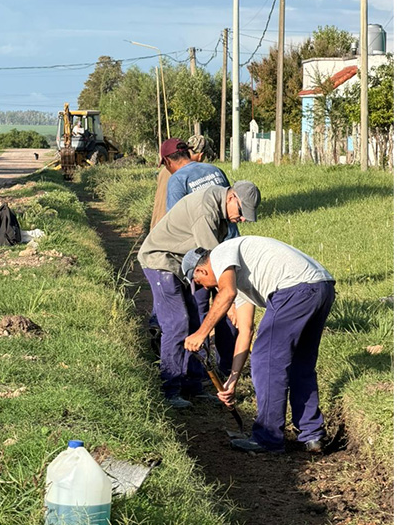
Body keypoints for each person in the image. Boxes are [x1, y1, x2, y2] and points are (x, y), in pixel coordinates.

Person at [182, 237, 335, 454]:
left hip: (295, 288)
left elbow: (227, 293)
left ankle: (268, 437)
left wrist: (201, 333)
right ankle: (312, 435)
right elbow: (245, 332)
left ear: (201, 271)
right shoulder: (240, 278)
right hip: (322, 287)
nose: (203, 288)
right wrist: (232, 380)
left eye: (198, 283)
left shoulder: (220, 254)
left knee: (266, 361)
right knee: (301, 363)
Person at [137, 181, 260, 408]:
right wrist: (230, 302)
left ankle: (193, 384)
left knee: (195, 321)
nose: (242, 220)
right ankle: (169, 388)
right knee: (177, 322)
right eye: (242, 213)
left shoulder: (220, 208)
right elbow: (215, 264)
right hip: (160, 260)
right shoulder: (206, 211)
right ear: (232, 198)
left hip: (181, 263)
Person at [150, 137, 239, 377]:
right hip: (229, 247)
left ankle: (197, 371)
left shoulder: (177, 179)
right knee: (226, 308)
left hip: (201, 261)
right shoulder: (215, 170)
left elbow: (177, 220)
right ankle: (227, 369)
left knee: (198, 314)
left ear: (168, 161)